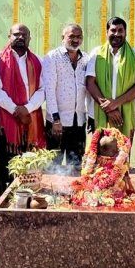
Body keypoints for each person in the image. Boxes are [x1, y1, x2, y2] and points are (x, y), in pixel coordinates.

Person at [0, 23, 45, 196]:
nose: (20, 37)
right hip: (5, 124)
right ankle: (5, 211)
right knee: (7, 169)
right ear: (9, 36)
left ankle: (27, 206)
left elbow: (43, 90)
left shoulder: (38, 61)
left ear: (29, 38)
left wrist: (26, 109)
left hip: (31, 123)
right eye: (16, 34)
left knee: (29, 169)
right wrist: (16, 109)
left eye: (24, 35)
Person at [85, 17, 135, 138]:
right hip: (99, 115)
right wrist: (109, 109)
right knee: (99, 155)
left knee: (122, 155)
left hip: (124, 116)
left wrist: (116, 103)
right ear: (106, 32)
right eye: (113, 30)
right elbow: (90, 83)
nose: (117, 34)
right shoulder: (96, 53)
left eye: (120, 30)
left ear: (125, 33)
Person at [42, 23, 88, 168]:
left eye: (79, 36)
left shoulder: (85, 58)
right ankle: (51, 191)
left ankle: (74, 191)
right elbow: (49, 89)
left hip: (78, 122)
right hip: (58, 122)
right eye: (71, 36)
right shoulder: (52, 57)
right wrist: (55, 119)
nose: (75, 40)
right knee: (53, 165)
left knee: (75, 165)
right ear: (63, 38)